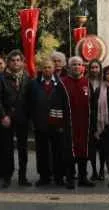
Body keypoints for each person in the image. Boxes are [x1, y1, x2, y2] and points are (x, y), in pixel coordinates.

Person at [27, 58, 72, 188]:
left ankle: (59, 177)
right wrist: (32, 121)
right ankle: (44, 177)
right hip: (40, 123)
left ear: (54, 68)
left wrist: (64, 123)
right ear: (40, 68)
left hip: (57, 124)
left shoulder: (61, 83)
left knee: (59, 151)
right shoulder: (33, 84)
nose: (47, 70)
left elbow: (65, 104)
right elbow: (29, 103)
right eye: (44, 67)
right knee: (42, 152)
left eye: (49, 67)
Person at [0, 50, 31, 187]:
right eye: (13, 60)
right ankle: (7, 177)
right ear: (8, 62)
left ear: (22, 62)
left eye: (18, 60)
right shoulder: (1, 78)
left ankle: (22, 177)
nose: (15, 62)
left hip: (22, 118)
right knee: (6, 149)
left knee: (23, 149)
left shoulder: (27, 77)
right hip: (7, 118)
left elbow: (30, 99)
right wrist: (3, 116)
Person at [62, 56, 95, 188]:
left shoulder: (87, 83)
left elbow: (93, 105)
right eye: (74, 64)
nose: (76, 66)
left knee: (84, 151)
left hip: (85, 125)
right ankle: (69, 178)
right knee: (69, 152)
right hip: (68, 125)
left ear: (83, 67)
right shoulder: (62, 83)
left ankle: (83, 177)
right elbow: (57, 105)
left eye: (79, 64)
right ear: (69, 67)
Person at [86, 60, 104, 181]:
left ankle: (102, 170)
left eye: (96, 67)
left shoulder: (105, 82)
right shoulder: (85, 82)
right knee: (91, 147)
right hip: (89, 119)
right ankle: (94, 171)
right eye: (92, 67)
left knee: (102, 147)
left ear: (100, 68)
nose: (94, 70)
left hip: (103, 118)